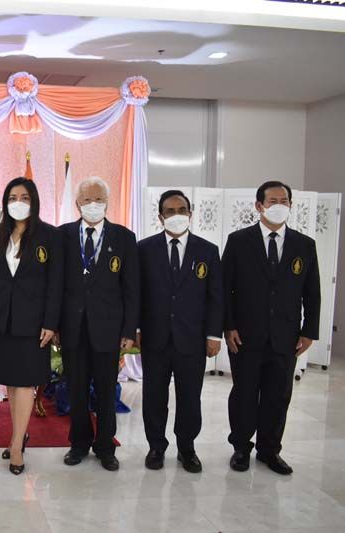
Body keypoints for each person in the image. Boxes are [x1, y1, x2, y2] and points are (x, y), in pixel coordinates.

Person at [223, 181, 320, 475]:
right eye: (273, 201)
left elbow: (312, 292)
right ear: (259, 206)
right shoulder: (239, 241)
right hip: (245, 336)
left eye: (284, 201)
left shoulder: (304, 245)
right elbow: (225, 289)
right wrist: (228, 326)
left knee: (278, 395)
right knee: (244, 393)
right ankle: (241, 448)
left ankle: (270, 450)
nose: (279, 205)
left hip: (286, 337)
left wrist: (309, 330)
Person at [0, 177, 62, 475]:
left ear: (34, 201)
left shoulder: (49, 236)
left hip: (33, 323)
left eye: (24, 197)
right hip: (1, 320)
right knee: (11, 383)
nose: (18, 203)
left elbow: (55, 284)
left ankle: (16, 446)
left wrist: (51, 323)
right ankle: (19, 434)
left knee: (25, 383)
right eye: (13, 197)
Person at [137, 190, 223, 473]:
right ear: (160, 216)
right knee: (154, 396)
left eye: (182, 210)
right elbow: (136, 294)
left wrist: (214, 335)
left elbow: (216, 297)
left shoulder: (207, 250)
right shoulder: (144, 249)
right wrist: (136, 328)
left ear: (190, 213)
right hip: (155, 337)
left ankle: (187, 448)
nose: (177, 215)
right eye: (170, 211)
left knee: (190, 397)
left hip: (192, 339)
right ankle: (156, 447)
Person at [58, 176, 139, 471]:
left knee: (106, 390)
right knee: (76, 389)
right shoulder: (63, 236)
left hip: (108, 329)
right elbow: (56, 285)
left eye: (99, 199)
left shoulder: (124, 237)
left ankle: (106, 447)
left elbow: (131, 288)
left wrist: (129, 330)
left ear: (107, 202)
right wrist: (55, 326)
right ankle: (78, 443)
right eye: (87, 199)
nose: (93, 204)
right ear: (77, 204)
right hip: (72, 328)